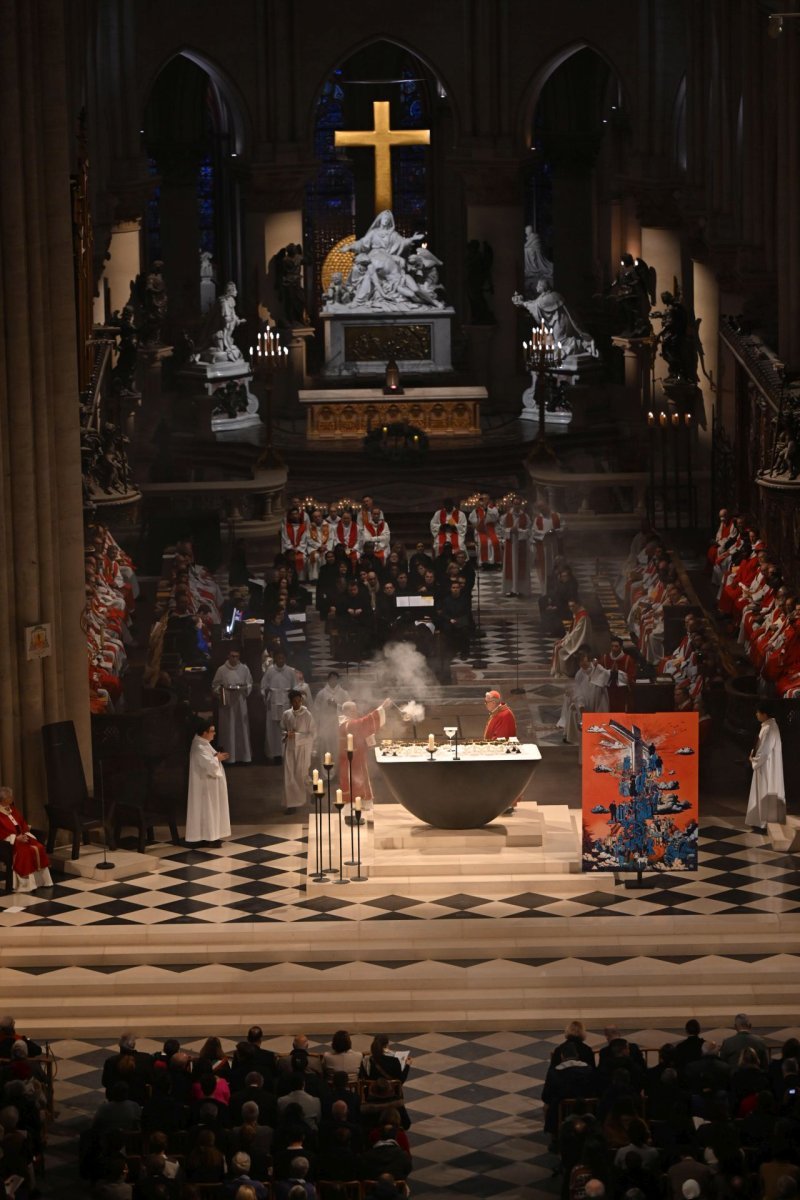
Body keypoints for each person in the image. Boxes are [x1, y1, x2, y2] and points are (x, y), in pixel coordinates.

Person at [338, 698, 393, 807]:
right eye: (353, 710)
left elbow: (361, 727)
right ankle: (352, 812)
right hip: (351, 762)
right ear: (347, 712)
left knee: (359, 784)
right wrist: (382, 708)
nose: (356, 712)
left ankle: (360, 809)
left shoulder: (348, 723)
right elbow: (363, 724)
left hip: (356, 759)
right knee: (354, 785)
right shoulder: (347, 724)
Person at [186, 719, 231, 847]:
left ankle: (213, 835)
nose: (214, 733)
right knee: (208, 809)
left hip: (210, 785)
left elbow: (210, 759)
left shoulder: (204, 742)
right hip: (205, 786)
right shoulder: (198, 746)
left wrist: (216, 756)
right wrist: (217, 758)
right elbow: (208, 764)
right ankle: (209, 837)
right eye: (212, 731)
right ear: (204, 733)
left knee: (212, 809)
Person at [0, 786, 52, 893]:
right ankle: (26, 885)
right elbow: (2, 833)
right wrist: (16, 838)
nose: (12, 798)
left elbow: (21, 823)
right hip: (8, 843)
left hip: (22, 837)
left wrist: (25, 834)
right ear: (3, 800)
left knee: (39, 847)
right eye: (9, 797)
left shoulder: (12, 809)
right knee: (25, 851)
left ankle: (42, 881)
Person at [557, 651, 611, 745]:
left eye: (585, 661)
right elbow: (578, 691)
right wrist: (581, 705)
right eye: (581, 662)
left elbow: (605, 677)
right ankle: (572, 736)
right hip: (585, 700)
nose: (583, 664)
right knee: (572, 709)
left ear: (589, 661)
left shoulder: (597, 669)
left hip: (598, 698)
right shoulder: (579, 674)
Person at [746, 703, 785, 831]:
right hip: (765, 763)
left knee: (764, 790)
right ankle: (762, 820)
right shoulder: (768, 726)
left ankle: (763, 822)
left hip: (766, 766)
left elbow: (765, 749)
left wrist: (754, 759)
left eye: (758, 712)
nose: (756, 715)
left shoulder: (769, 728)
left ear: (765, 714)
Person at [212, 649, 253, 765]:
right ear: (228, 656)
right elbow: (215, 685)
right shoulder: (221, 670)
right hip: (228, 702)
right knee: (228, 728)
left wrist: (243, 687)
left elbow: (249, 683)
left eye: (237, 656)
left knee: (242, 728)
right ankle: (229, 758)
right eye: (232, 656)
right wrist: (222, 691)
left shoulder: (244, 669)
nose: (234, 659)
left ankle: (244, 757)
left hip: (240, 701)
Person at [281, 690, 316, 813]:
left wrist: (296, 736)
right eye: (294, 701)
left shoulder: (307, 715)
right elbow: (282, 729)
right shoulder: (286, 714)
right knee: (289, 775)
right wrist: (286, 734)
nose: (297, 703)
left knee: (302, 774)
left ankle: (312, 791)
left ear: (301, 700)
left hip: (303, 748)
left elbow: (312, 734)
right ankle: (292, 804)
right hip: (290, 748)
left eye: (299, 700)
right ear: (290, 702)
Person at [261, 650, 297, 765]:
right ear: (275, 659)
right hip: (273, 703)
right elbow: (263, 687)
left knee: (286, 728)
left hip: (286, 703)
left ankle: (287, 753)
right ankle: (276, 754)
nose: (281, 660)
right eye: (278, 658)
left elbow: (295, 687)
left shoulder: (290, 671)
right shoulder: (270, 671)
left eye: (282, 658)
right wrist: (266, 694)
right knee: (274, 730)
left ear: (285, 659)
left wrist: (293, 701)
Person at [552, 598, 593, 677]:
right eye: (570, 606)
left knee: (561, 651)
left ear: (578, 605)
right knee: (557, 646)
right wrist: (562, 640)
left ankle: (566, 673)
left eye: (573, 606)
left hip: (581, 643)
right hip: (575, 641)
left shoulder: (583, 617)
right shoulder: (577, 614)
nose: (571, 609)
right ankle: (562, 671)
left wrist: (564, 643)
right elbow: (572, 632)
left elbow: (577, 634)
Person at [501, 498, 532, 597]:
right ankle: (511, 590)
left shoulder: (525, 517)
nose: (517, 506)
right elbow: (501, 529)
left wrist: (519, 531)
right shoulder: (506, 516)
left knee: (521, 566)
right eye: (515, 504)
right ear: (512, 504)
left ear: (521, 505)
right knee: (510, 566)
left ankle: (521, 590)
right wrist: (510, 530)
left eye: (518, 504)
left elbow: (529, 530)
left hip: (521, 544)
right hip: (510, 543)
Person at [600, 637, 638, 712]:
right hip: (608, 692)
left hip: (622, 693)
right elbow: (600, 674)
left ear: (621, 647)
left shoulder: (628, 659)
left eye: (616, 646)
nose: (613, 648)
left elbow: (632, 678)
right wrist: (609, 673)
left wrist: (618, 673)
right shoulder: (605, 658)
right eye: (612, 646)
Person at [469, 494, 501, 567]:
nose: (484, 501)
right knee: (483, 542)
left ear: (489, 500)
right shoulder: (476, 510)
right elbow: (472, 519)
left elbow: (495, 517)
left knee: (495, 542)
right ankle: (484, 563)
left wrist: (487, 509)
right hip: (481, 531)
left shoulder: (493, 508)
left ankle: (494, 562)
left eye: (486, 499)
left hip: (491, 530)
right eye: (483, 499)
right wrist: (477, 524)